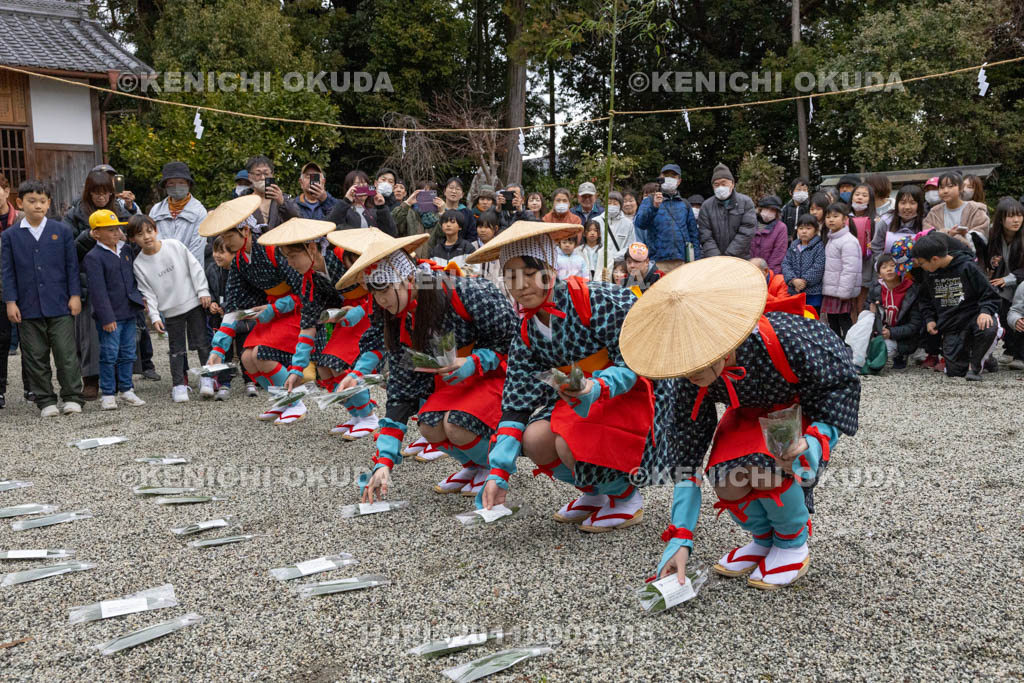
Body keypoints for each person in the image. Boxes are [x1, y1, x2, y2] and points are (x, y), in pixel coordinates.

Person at [618, 257, 860, 589]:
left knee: (769, 466)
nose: (692, 373)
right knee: (725, 477)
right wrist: (681, 537)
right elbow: (687, 455)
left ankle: (792, 541)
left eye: (699, 360)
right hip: (746, 411)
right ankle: (763, 539)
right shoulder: (689, 375)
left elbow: (840, 380)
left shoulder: (784, 334)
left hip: (798, 409)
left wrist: (817, 439)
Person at [471, 221, 669, 533]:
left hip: (625, 393)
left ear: (550, 269)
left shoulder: (594, 298)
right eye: (511, 277)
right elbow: (516, 402)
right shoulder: (527, 329)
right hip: (579, 399)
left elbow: (637, 356)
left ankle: (624, 496)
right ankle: (594, 492)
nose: (521, 285)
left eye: (529, 273)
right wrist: (498, 472)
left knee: (569, 440)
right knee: (533, 439)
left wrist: (597, 385)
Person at [340, 233, 516, 502]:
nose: (381, 301)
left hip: (493, 374)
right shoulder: (399, 318)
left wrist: (475, 361)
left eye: (385, 290)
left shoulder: (464, 291)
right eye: (374, 293)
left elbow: (512, 340)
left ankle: (495, 467)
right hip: (456, 381)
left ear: (409, 279)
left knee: (456, 424)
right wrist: (383, 462)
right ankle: (474, 466)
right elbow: (400, 392)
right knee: (429, 424)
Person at [202, 196, 309, 423]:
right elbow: (231, 305)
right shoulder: (240, 261)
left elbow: (303, 289)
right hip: (270, 310)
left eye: (230, 236)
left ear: (245, 230)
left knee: (262, 354)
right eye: (223, 237)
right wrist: (217, 350)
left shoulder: (272, 248)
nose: (226, 242)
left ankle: (295, 402)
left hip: (294, 309)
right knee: (247, 358)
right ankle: (281, 402)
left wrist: (276, 307)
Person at [0, 180, 85, 417]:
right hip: (27, 306)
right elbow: (7, 271)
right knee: (35, 356)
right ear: (20, 202)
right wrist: (10, 301)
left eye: (42, 201)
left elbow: (71, 266)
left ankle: (71, 396)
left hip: (60, 303)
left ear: (49, 204)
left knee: (65, 353)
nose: (37, 206)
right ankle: (45, 400)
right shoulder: (10, 236)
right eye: (31, 201)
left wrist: (75, 295)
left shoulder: (62, 231)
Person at [129, 214, 213, 402]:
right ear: (133, 239)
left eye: (149, 231)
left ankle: (207, 379)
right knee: (176, 349)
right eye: (140, 234)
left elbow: (195, 268)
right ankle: (179, 385)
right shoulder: (139, 264)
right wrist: (155, 316)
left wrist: (202, 291)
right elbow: (147, 293)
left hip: (193, 302)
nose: (147, 237)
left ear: (156, 230)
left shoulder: (174, 245)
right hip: (171, 310)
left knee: (202, 343)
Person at [66, 170, 132, 400]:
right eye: (96, 192)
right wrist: (88, 236)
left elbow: (134, 240)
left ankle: (120, 382)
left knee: (122, 330)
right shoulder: (75, 214)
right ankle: (91, 380)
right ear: (88, 192)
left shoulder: (121, 211)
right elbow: (69, 250)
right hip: (87, 279)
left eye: (105, 193)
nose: (101, 197)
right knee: (89, 335)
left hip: (117, 280)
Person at [913, 233, 1000, 380]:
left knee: (987, 327)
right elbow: (925, 300)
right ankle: (986, 360)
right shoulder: (930, 273)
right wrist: (930, 319)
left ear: (934, 259)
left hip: (975, 317)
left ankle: (976, 365)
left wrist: (985, 311)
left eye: (922, 263)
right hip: (952, 324)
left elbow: (991, 294)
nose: (921, 267)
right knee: (955, 371)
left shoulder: (968, 267)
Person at [82, 210, 146, 409]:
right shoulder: (93, 257)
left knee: (128, 353)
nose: (116, 233)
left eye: (117, 228)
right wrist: (107, 317)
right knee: (109, 354)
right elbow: (98, 291)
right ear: (96, 233)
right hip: (110, 315)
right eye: (109, 230)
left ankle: (127, 389)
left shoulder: (126, 250)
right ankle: (108, 393)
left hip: (129, 310)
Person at [206, 236, 256, 399]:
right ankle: (224, 383)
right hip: (219, 318)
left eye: (222, 252)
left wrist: (226, 307)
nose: (216, 255)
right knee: (223, 351)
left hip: (241, 318)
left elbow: (242, 296)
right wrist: (212, 302)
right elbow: (209, 290)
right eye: (215, 251)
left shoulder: (243, 271)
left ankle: (250, 381)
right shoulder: (212, 269)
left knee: (244, 350)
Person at [634, 163, 700, 272]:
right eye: (666, 176)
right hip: (658, 261)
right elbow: (640, 224)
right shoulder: (649, 200)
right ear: (660, 179)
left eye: (673, 176)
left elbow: (693, 235)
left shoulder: (685, 204)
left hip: (682, 260)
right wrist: (654, 207)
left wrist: (696, 260)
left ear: (679, 181)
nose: (669, 179)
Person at [984, 197, 1024, 369]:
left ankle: (1019, 353)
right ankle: (1009, 348)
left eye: (1019, 215)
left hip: (1019, 284)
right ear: (1001, 219)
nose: (1016, 220)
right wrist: (992, 265)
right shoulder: (993, 236)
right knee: (999, 309)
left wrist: (1008, 279)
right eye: (1011, 216)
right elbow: (986, 261)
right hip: (1001, 285)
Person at [863, 254, 919, 370]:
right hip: (880, 331)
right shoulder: (876, 289)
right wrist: (871, 311)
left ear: (900, 268)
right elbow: (867, 308)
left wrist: (891, 332)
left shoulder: (911, 290)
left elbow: (915, 324)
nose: (889, 269)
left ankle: (900, 354)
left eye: (892, 266)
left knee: (883, 350)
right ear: (879, 274)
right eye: (884, 267)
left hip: (903, 337)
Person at [0, 173, 27, 408]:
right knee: (1, 339)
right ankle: (0, 389)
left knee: (30, 339)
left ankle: (33, 387)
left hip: (25, 287)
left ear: (7, 191)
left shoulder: (21, 219)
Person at [149, 161, 208, 267]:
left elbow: (197, 249)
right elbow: (151, 241)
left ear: (188, 184)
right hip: (161, 270)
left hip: (190, 272)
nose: (176, 186)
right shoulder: (156, 211)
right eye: (171, 183)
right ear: (165, 185)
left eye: (181, 182)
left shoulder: (199, 211)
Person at [697, 163, 757, 260]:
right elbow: (705, 234)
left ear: (732, 184)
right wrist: (717, 257)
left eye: (724, 183)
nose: (720, 187)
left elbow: (747, 231)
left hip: (740, 258)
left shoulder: (746, 202)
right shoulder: (706, 206)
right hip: (714, 260)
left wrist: (729, 255)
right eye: (716, 184)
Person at [821, 203, 861, 339]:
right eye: (828, 217)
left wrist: (844, 292)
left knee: (844, 321)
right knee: (832, 322)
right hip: (832, 290)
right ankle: (837, 349)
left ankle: (850, 350)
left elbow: (850, 269)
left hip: (841, 291)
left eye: (835, 216)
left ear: (845, 219)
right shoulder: (832, 238)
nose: (831, 219)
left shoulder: (848, 241)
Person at [923, 172, 990, 252]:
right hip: (940, 261)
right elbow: (926, 237)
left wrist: (962, 236)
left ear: (961, 188)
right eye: (942, 187)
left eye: (950, 186)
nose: (945, 191)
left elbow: (982, 236)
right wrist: (948, 234)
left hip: (969, 260)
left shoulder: (975, 209)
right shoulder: (934, 213)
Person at [328, 170, 398, 235]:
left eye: (365, 185)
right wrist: (346, 200)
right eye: (357, 185)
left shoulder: (375, 211)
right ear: (349, 188)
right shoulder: (341, 208)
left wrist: (381, 207)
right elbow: (331, 226)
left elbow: (391, 233)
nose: (362, 188)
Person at [782, 214, 826, 313]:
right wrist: (793, 280)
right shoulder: (793, 246)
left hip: (813, 293)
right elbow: (786, 264)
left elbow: (818, 266)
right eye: (801, 228)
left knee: (811, 319)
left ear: (816, 230)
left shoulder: (819, 246)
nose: (804, 231)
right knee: (796, 320)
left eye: (808, 228)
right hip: (794, 292)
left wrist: (804, 281)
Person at [872, 185, 924, 261]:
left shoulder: (925, 222)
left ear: (919, 205)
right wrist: (886, 264)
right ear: (897, 204)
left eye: (912, 203)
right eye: (903, 203)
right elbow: (876, 247)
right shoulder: (886, 221)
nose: (907, 207)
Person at [393, 182, 442, 254]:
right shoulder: (409, 212)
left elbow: (443, 235)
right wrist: (407, 203)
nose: (425, 197)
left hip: (433, 259)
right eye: (422, 193)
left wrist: (442, 212)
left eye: (429, 194)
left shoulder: (439, 214)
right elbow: (394, 224)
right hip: (410, 257)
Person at [749, 195, 788, 273]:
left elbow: (778, 254)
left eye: (772, 210)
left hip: (769, 272)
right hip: (748, 269)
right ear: (760, 209)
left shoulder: (781, 228)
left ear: (777, 213)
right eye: (766, 208)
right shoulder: (749, 222)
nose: (768, 213)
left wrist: (768, 273)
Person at [438, 177, 477, 241]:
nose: (454, 191)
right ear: (444, 191)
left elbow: (472, 236)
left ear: (462, 194)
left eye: (458, 189)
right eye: (451, 188)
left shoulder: (468, 213)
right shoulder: (436, 209)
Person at [602, 191, 636, 262]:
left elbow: (630, 246)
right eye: (609, 203)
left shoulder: (628, 224)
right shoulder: (597, 221)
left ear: (620, 205)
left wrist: (613, 258)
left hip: (619, 264)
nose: (612, 205)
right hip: (600, 262)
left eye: (615, 203)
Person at [472, 210, 503, 283]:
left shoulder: (501, 248)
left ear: (496, 228)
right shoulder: (472, 247)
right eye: (480, 227)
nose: (482, 230)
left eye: (487, 227)